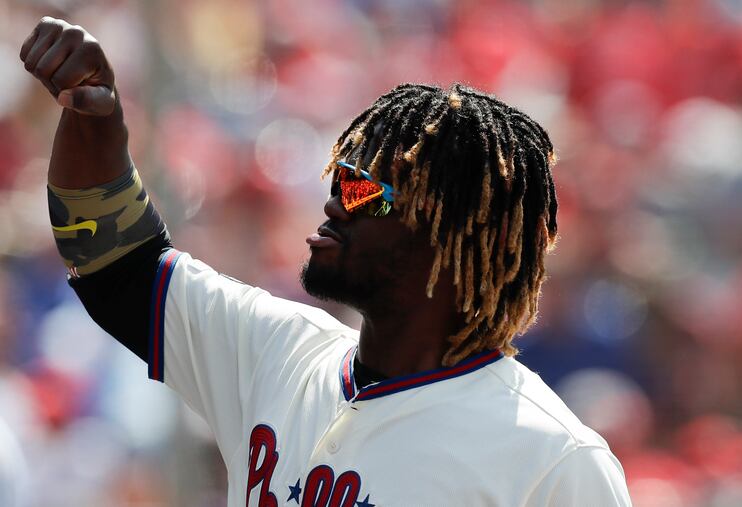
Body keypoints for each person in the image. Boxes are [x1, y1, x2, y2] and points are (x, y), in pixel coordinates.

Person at [21, 17, 632, 507]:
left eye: (365, 191)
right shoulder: (278, 350)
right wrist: (94, 123)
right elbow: (115, 265)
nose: (336, 202)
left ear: (446, 238)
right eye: (340, 177)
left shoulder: (553, 460)